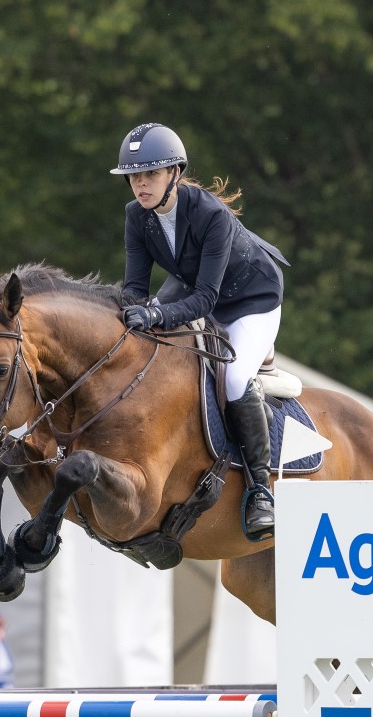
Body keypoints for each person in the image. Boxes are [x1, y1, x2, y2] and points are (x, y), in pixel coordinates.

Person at [111, 122, 288, 541]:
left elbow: (206, 301)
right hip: (193, 286)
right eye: (134, 177)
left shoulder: (212, 215)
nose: (141, 184)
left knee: (235, 379)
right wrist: (129, 316)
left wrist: (155, 316)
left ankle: (261, 490)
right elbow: (134, 289)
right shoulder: (137, 216)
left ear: (174, 173)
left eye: (150, 174)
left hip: (251, 299)